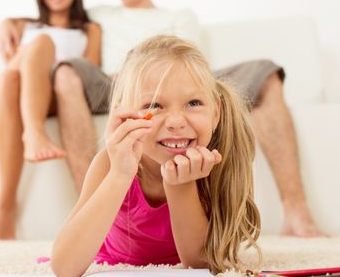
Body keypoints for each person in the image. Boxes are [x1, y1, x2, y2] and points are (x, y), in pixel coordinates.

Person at [0, 0, 324, 237]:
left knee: (265, 71)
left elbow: (192, 71)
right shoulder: (100, 16)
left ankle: (296, 210)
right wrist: (10, 22)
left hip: (180, 80)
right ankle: (92, 212)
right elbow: (55, 13)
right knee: (66, 70)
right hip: (117, 82)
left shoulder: (179, 17)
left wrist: (184, 93)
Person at [51, 36, 262, 275]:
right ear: (125, 115)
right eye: (153, 105)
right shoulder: (108, 165)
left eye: (193, 103)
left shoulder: (220, 162)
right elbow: (64, 268)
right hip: (113, 261)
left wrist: (180, 185)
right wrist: (120, 175)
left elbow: (201, 266)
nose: (175, 122)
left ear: (216, 113)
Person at [0, 0, 101, 240]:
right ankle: (6, 205)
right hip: (13, 91)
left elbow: (87, 71)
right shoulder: (26, 26)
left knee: (42, 44)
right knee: (13, 74)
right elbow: (10, 66)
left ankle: (34, 132)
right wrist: (9, 25)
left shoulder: (89, 29)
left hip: (56, 93)